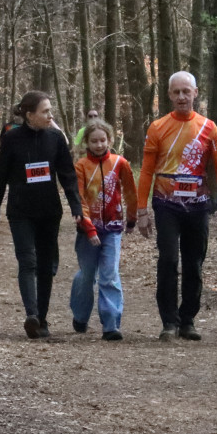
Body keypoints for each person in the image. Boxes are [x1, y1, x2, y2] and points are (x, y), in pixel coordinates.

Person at [135, 71, 217, 342]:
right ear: (169, 95)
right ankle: (169, 321)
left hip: (198, 204)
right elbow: (146, 171)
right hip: (166, 203)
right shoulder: (157, 127)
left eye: (185, 92)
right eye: (176, 92)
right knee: (168, 260)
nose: (181, 97)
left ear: (195, 93)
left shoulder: (208, 127)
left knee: (194, 263)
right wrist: (141, 211)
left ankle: (187, 319)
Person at [0, 90, 83, 339]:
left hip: (49, 211)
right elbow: (0, 176)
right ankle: (31, 314)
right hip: (21, 211)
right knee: (27, 260)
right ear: (29, 115)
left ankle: (42, 318)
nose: (50, 116)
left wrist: (76, 207)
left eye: (51, 111)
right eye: (45, 112)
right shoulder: (12, 139)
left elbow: (68, 176)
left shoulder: (55, 138)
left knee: (45, 265)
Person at [70, 119, 138, 341]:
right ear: (87, 143)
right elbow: (79, 198)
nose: (99, 145)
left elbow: (130, 192)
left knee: (109, 275)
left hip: (112, 229)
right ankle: (80, 315)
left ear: (110, 140)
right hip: (87, 230)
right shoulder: (80, 166)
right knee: (87, 275)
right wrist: (88, 228)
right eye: (94, 141)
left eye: (102, 140)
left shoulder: (120, 163)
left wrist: (132, 217)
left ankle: (111, 324)